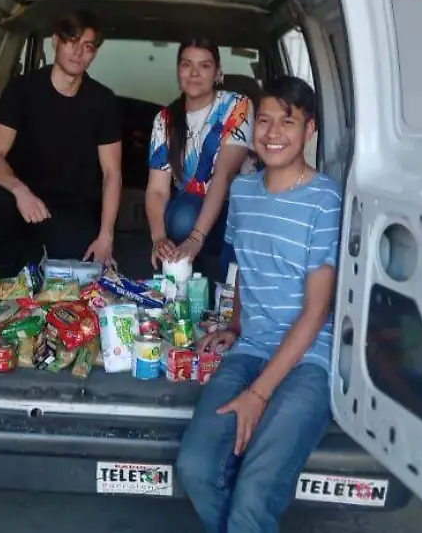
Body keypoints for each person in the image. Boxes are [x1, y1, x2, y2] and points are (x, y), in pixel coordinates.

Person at [175, 75, 342, 533]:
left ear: (309, 130)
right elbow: (246, 269)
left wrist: (259, 394)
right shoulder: (243, 192)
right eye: (264, 121)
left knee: (254, 494)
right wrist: (235, 324)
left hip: (309, 359)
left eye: (288, 122)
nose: (272, 133)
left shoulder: (325, 199)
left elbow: (317, 311)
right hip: (251, 348)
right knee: (195, 468)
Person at [0, 11, 122, 275]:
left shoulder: (103, 101)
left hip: (72, 203)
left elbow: (112, 174)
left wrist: (106, 235)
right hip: (23, 195)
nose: (78, 52)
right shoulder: (21, 89)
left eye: (87, 46)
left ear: (94, 54)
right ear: (55, 42)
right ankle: (11, 266)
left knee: (80, 264)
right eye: (71, 41)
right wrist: (20, 191)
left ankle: (40, 259)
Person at [146, 38, 253, 281]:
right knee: (183, 216)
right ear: (178, 71)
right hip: (191, 208)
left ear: (218, 73)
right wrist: (158, 238)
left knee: (206, 221)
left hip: (234, 207)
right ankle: (185, 285)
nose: (194, 73)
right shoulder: (164, 120)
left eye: (204, 66)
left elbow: (223, 175)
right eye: (187, 65)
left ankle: (222, 290)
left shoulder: (237, 105)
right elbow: (157, 190)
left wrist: (196, 238)